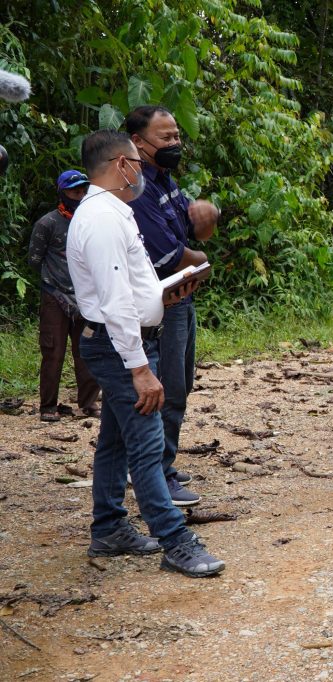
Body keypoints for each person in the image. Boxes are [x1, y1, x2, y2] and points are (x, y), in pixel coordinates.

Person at [67, 129, 224, 577]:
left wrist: (163, 295)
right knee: (147, 444)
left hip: (120, 341)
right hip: (119, 348)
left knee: (116, 441)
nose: (141, 171)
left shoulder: (113, 213)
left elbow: (127, 289)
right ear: (120, 165)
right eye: (136, 162)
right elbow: (115, 305)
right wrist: (140, 369)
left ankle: (109, 527)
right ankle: (176, 540)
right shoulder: (102, 219)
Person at [126, 105, 219, 507]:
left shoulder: (166, 180)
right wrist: (199, 259)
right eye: (165, 138)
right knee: (167, 388)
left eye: (177, 136)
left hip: (183, 299)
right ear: (137, 142)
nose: (175, 144)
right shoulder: (138, 189)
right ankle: (156, 475)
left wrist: (208, 217)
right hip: (161, 304)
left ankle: (161, 464)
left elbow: (199, 233)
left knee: (180, 384)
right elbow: (172, 255)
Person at [27, 170, 101, 422]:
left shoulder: (93, 222)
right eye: (73, 191)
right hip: (55, 297)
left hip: (87, 297)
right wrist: (56, 283)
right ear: (62, 193)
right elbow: (34, 260)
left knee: (87, 351)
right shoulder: (47, 223)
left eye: (82, 191)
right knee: (53, 351)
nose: (79, 196)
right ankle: (48, 407)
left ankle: (89, 404)